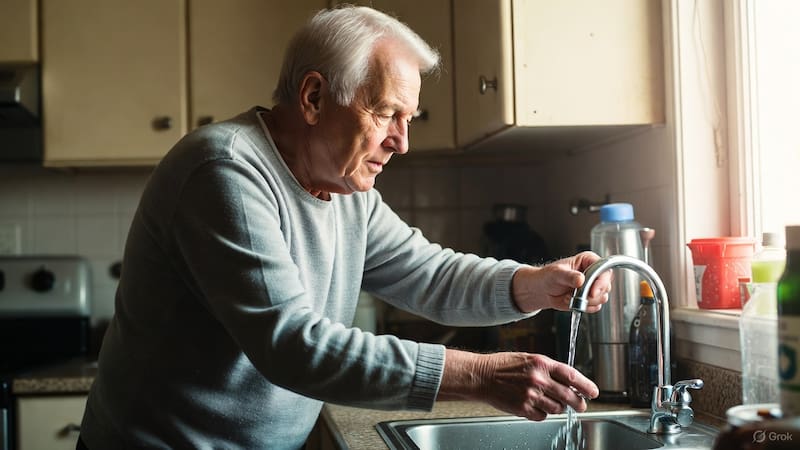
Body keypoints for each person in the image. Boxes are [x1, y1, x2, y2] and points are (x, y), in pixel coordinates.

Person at [78, 5, 611, 449]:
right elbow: (293, 345)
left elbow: (431, 275)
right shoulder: (225, 170)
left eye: (410, 119)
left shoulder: (343, 191)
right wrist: (480, 375)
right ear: (313, 98)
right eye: (385, 113)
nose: (402, 142)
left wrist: (537, 284)